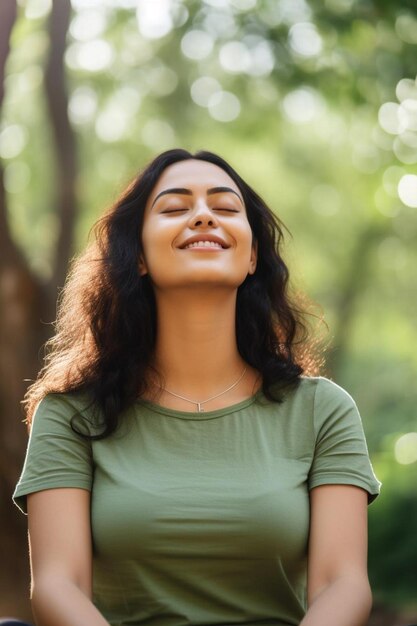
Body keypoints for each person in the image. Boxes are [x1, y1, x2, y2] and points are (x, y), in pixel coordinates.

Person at [13, 149, 380, 626]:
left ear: (251, 256)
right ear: (139, 256)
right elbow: (60, 587)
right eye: (174, 208)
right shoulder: (70, 414)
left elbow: (342, 584)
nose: (204, 216)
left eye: (225, 208)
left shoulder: (322, 411)